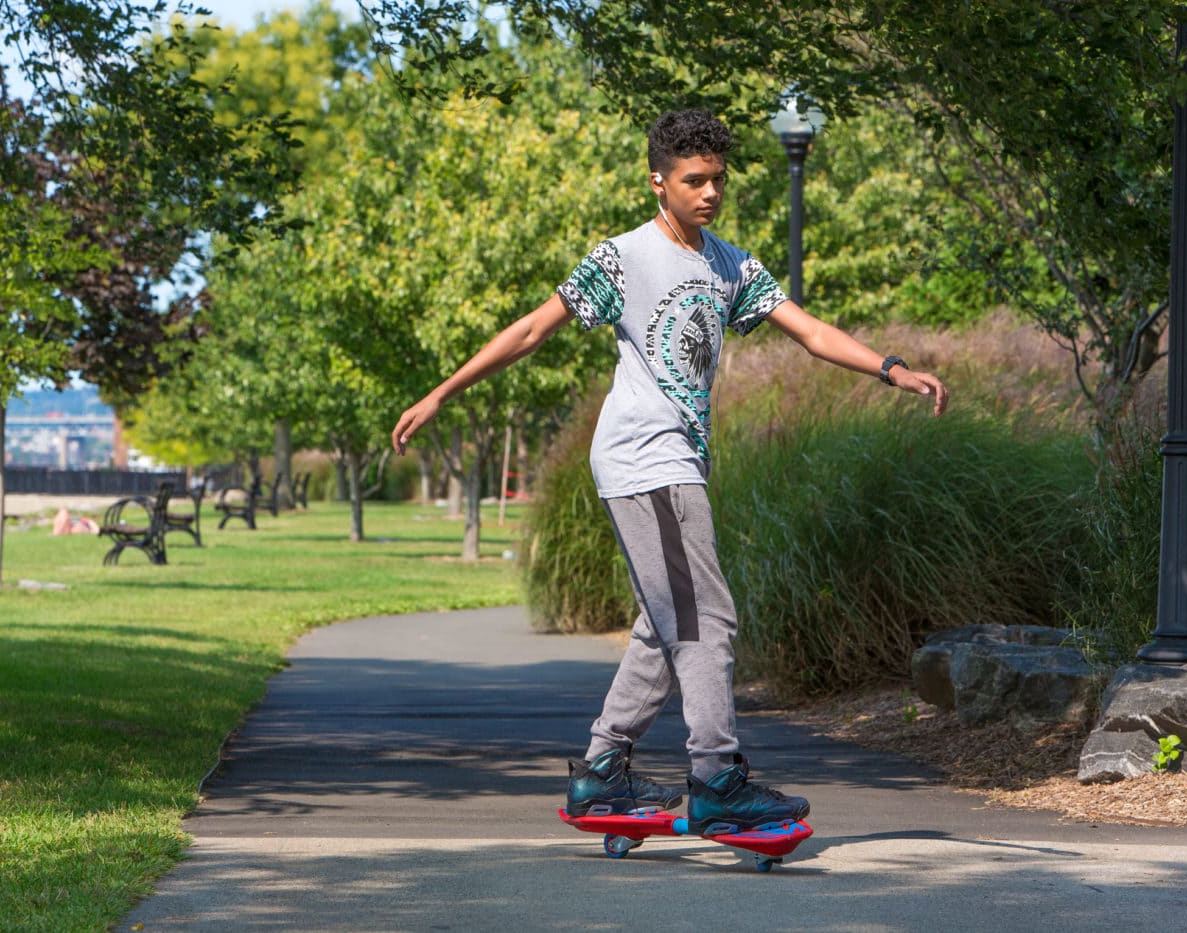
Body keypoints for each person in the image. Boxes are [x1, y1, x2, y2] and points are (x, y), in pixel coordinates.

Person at [392, 108, 948, 835]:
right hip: (643, 455)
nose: (710, 192)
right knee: (709, 618)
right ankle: (716, 776)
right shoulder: (623, 257)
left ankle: (601, 771)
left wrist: (891, 368)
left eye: (718, 178)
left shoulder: (730, 264)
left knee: (666, 625)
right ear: (658, 181)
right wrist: (441, 392)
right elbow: (533, 327)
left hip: (675, 458)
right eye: (694, 180)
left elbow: (808, 331)